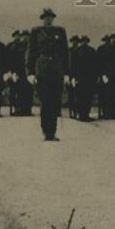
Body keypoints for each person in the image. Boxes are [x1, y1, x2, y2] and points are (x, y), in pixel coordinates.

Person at [26, 8, 69, 140]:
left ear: (53, 18)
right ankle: (46, 132)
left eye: (50, 17)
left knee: (55, 102)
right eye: (46, 17)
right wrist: (30, 72)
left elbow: (65, 53)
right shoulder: (36, 32)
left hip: (57, 71)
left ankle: (53, 131)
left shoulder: (60, 32)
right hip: (42, 71)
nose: (48, 19)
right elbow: (31, 53)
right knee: (45, 102)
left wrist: (67, 73)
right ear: (42, 19)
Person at [97, 34, 115, 119]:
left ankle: (114, 113)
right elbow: (99, 63)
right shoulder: (102, 49)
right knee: (107, 95)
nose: (114, 40)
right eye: (112, 39)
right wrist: (102, 74)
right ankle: (107, 114)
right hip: (107, 76)